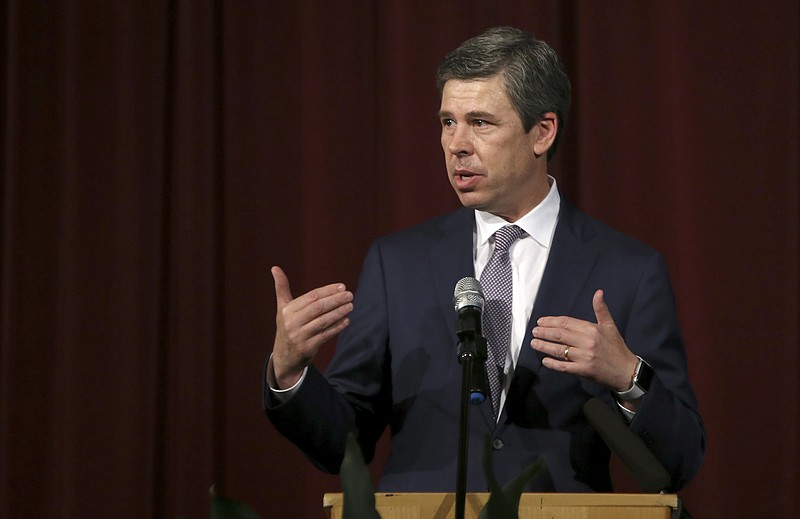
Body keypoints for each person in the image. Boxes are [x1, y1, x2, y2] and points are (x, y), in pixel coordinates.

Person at [264, 26, 705, 493]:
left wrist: (628, 378)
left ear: (542, 132)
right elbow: (342, 445)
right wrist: (289, 372)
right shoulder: (397, 264)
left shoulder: (629, 271)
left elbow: (679, 460)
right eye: (448, 121)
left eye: (481, 122)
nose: (456, 144)